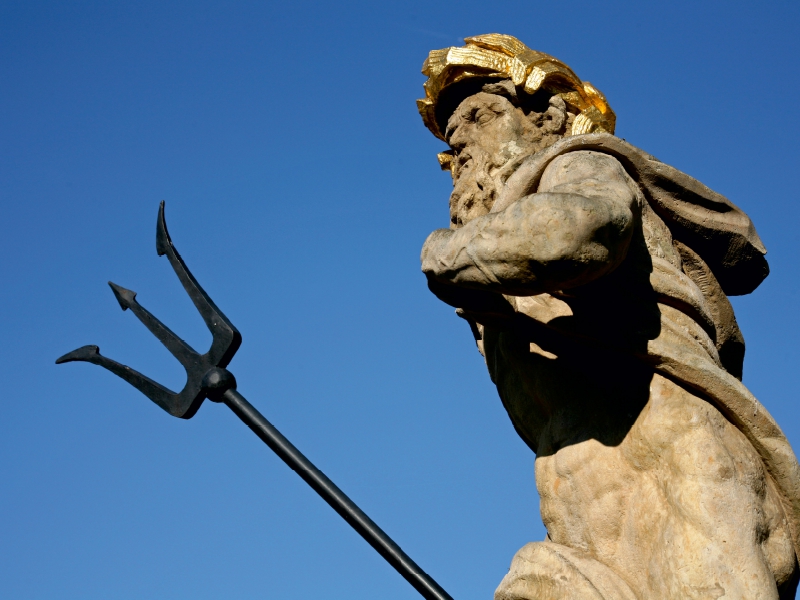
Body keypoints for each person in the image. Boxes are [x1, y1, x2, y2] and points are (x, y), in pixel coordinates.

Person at [418, 34, 800, 599]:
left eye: (481, 114)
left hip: (684, 488)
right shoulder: (494, 285)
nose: (463, 139)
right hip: (581, 528)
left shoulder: (579, 164)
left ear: (545, 119)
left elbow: (581, 232)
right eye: (454, 139)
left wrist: (447, 253)